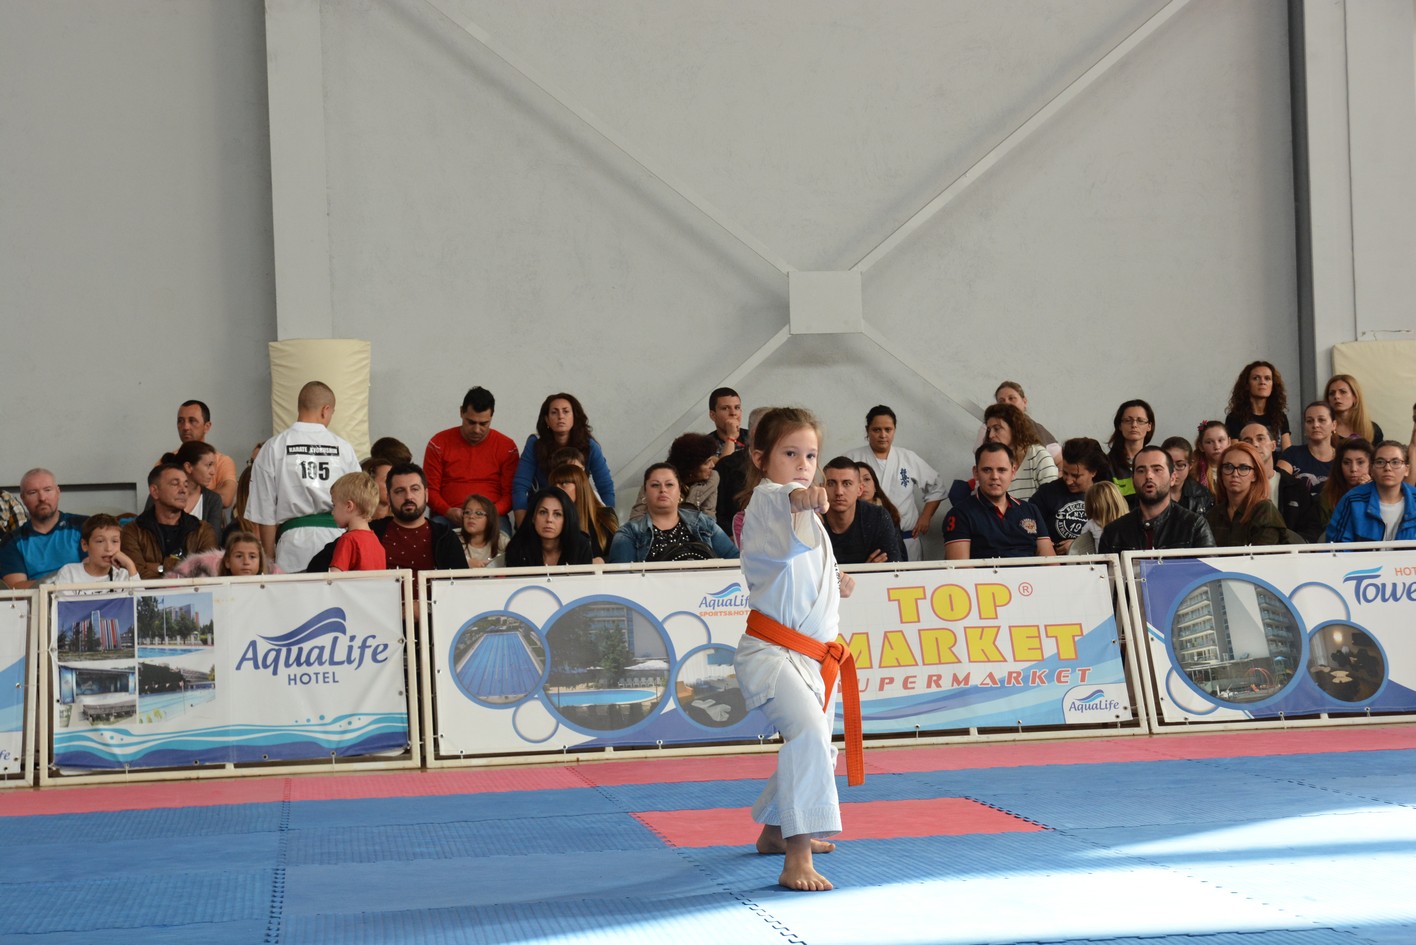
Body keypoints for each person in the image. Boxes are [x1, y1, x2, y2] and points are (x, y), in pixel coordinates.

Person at [732, 406, 859, 892]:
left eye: (810, 455)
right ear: (760, 458)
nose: (803, 464)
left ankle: (773, 832)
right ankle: (797, 857)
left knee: (817, 745)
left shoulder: (807, 518)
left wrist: (837, 581)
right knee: (808, 736)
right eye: (790, 454)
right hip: (773, 654)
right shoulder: (769, 499)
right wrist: (805, 494)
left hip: (813, 657)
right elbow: (790, 499)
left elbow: (803, 568)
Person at [246, 381, 361, 573]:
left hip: (292, 546)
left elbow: (265, 513)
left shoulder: (273, 447)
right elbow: (359, 503)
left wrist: (269, 562)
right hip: (338, 544)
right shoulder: (344, 448)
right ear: (325, 410)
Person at [306, 462, 465, 574]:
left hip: (431, 613)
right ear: (388, 497)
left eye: (415, 489)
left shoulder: (446, 537)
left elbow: (461, 589)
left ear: (427, 494)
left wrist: (425, 607)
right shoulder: (369, 531)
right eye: (399, 491)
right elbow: (318, 567)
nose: (408, 496)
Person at [845, 405, 943, 561]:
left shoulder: (907, 458)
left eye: (888, 430)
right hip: (866, 540)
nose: (883, 435)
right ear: (867, 430)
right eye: (876, 430)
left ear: (894, 430)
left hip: (907, 538)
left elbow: (937, 487)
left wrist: (926, 517)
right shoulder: (852, 458)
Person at [423, 386, 520, 527]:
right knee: (435, 537)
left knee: (502, 539)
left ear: (491, 416)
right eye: (471, 422)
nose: (476, 430)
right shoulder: (438, 443)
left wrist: (490, 513)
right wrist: (447, 511)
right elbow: (429, 490)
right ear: (461, 412)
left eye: (483, 424)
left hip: (492, 516)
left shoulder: (507, 447)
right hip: (447, 516)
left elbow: (511, 493)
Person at [512, 393, 614, 525]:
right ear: (547, 420)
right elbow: (520, 486)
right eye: (554, 412)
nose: (560, 416)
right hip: (544, 510)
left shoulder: (589, 446)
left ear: (574, 417)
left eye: (566, 411)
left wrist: (608, 524)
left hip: (579, 511)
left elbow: (606, 487)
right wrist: (523, 528)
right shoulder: (535, 443)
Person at [942, 443, 1055, 560]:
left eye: (1001, 470)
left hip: (1032, 572)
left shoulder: (1031, 510)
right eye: (987, 470)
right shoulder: (959, 514)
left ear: (1013, 472)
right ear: (976, 473)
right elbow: (960, 568)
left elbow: (1051, 563)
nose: (995, 476)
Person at [608, 464, 738, 563]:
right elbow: (621, 579)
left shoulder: (703, 523)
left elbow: (736, 562)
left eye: (669, 484)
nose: (663, 490)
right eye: (655, 485)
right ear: (645, 493)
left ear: (679, 491)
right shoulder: (628, 533)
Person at [1099, 447, 1215, 552]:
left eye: (1157, 470)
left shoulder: (1194, 526)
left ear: (1172, 478)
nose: (1149, 476)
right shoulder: (1114, 533)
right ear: (1133, 480)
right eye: (1141, 470)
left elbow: (1210, 568)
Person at [122, 463, 221, 579]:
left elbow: (205, 574)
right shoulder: (133, 531)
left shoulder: (202, 530)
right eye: (175, 484)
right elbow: (135, 575)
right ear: (155, 491)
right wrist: (182, 569)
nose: (183, 490)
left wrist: (161, 567)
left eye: (186, 485)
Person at [0, 469, 85, 588]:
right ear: (23, 498)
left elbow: (95, 573)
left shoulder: (85, 526)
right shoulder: (12, 541)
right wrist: (59, 582)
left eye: (47, 490)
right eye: (33, 492)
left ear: (58, 492)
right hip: (36, 599)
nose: (42, 498)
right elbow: (16, 589)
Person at [1238, 421, 1321, 541]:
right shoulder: (1233, 486)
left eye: (1260, 439)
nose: (1255, 444)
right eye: (1247, 441)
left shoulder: (1296, 487)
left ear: (1273, 445)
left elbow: (1311, 529)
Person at [1030, 438, 1111, 552]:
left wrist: (1079, 546)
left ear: (1093, 472)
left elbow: (1115, 534)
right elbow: (1029, 528)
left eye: (1076, 476)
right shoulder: (1047, 493)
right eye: (1065, 473)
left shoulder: (1106, 495)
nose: (1068, 481)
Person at [1326, 441, 1416, 543]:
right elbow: (1336, 546)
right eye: (1380, 462)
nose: (1387, 468)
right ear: (1372, 469)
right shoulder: (1352, 500)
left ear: (1407, 470)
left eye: (1395, 462)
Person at [820, 456, 903, 564]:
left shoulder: (878, 517)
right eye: (831, 483)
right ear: (822, 488)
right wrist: (864, 570)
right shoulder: (813, 519)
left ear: (859, 489)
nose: (839, 492)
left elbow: (894, 566)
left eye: (847, 483)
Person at [1206, 442, 1288, 546]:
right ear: (1221, 474)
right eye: (1228, 467)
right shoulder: (1214, 514)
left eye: (1243, 468)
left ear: (1255, 475)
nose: (1235, 474)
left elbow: (1262, 554)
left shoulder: (1265, 510)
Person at [630, 433, 720, 522]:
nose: (712, 465)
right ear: (692, 466)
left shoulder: (712, 478)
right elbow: (637, 516)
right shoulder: (659, 477)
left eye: (712, 460)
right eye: (707, 462)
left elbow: (709, 516)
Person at [981, 403, 1058, 500]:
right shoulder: (991, 460)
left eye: (997, 429)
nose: (991, 435)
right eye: (989, 430)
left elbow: (1052, 499)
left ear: (1014, 428)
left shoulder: (1039, 455)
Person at [172, 399, 238, 508]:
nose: (185, 427)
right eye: (180, 421)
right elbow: (158, 496)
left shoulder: (223, 461)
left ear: (207, 426)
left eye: (192, 421)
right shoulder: (168, 460)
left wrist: (187, 493)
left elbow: (226, 499)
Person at [504, 487, 594, 567]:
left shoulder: (580, 546)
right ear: (533, 517)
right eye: (543, 512)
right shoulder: (518, 547)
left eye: (557, 514)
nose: (549, 519)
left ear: (567, 519)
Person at [550, 462, 619, 562]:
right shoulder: (550, 519)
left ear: (580, 486)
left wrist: (602, 560)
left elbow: (620, 554)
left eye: (564, 484)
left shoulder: (606, 516)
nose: (557, 489)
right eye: (553, 485)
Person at [977, 381, 1062, 461]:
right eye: (1001, 401)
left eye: (1011, 398)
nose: (1007, 403)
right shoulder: (988, 426)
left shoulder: (1038, 429)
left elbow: (1060, 460)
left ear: (1024, 402)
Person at [157, 441, 224, 534]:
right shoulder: (159, 495)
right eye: (208, 465)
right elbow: (147, 534)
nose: (213, 472)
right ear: (188, 467)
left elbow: (214, 539)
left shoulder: (213, 500)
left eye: (213, 466)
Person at [52, 514, 136, 586]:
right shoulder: (69, 574)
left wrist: (130, 565)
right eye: (100, 541)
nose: (109, 548)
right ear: (85, 545)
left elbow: (140, 600)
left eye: (115, 541)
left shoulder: (123, 575)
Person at [1224, 361, 1291, 450]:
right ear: (1247, 385)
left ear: (1273, 385)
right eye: (1256, 378)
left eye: (1267, 378)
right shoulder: (1234, 418)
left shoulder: (1280, 417)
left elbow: (1288, 453)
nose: (1262, 382)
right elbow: (1235, 452)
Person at [328, 472, 386, 572]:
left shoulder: (348, 540)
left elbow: (334, 577)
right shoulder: (377, 543)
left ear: (349, 506)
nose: (332, 512)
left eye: (334, 505)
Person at [1280, 402, 1337, 499]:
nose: (1315, 425)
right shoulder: (1291, 454)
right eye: (1309, 421)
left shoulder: (1343, 457)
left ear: (1334, 425)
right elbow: (1279, 485)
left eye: (1321, 420)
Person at [1106, 400, 1155, 498]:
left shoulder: (1157, 460)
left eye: (1140, 421)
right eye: (1128, 420)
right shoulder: (1107, 464)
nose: (1134, 425)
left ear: (1149, 426)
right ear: (1120, 426)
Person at [1319, 438, 1375, 523]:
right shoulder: (1328, 496)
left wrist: (1369, 493)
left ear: (1371, 465)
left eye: (1360, 462)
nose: (1353, 469)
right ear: (1339, 466)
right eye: (1346, 463)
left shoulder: (1380, 494)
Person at [1067, 481, 1128, 556]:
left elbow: (1081, 549)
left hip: (1103, 562)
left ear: (1091, 505)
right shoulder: (1131, 522)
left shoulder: (1091, 524)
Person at [1160, 436, 1214, 515]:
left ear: (1190, 465)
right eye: (1169, 465)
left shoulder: (1202, 495)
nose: (1173, 471)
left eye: (1180, 465)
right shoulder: (1151, 492)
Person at [1326, 374, 1383, 445]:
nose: (1336, 396)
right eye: (1332, 393)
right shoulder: (1324, 428)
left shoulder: (1372, 429)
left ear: (1355, 397)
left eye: (1343, 392)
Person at [455, 494, 503, 568]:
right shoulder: (452, 538)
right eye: (467, 512)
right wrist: (466, 562)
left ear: (490, 518)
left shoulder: (501, 540)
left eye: (479, 513)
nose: (471, 516)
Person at [1191, 420, 1230, 497]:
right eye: (1209, 442)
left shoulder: (1237, 468)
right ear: (1201, 446)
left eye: (1220, 440)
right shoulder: (1194, 472)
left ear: (1229, 442)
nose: (1217, 447)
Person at [708, 387, 747, 456]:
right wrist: (731, 437)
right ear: (713, 415)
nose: (733, 413)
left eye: (737, 407)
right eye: (725, 408)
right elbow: (725, 463)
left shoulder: (755, 437)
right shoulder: (704, 445)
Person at [361, 456, 393, 521]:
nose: (395, 486)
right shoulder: (354, 522)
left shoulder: (404, 520)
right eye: (387, 481)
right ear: (369, 484)